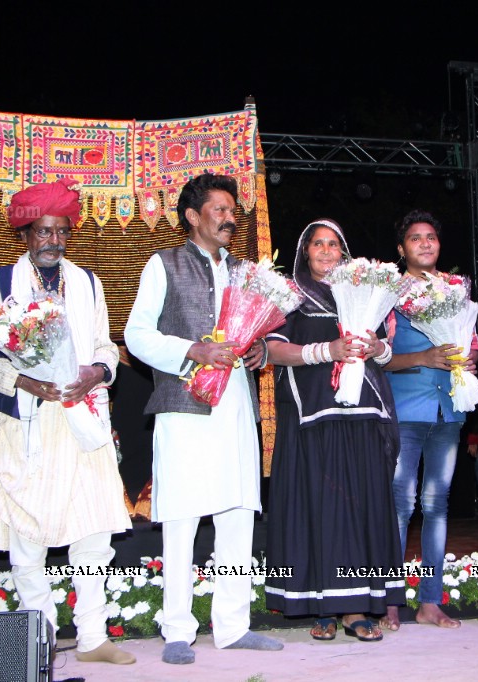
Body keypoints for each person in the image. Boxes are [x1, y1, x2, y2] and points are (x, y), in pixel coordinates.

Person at [0, 178, 134, 664]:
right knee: (27, 535)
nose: (53, 241)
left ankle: (94, 637)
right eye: (43, 232)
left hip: (83, 417)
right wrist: (18, 380)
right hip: (26, 422)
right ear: (25, 235)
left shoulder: (87, 282)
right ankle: (41, 638)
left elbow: (104, 344)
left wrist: (98, 371)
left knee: (94, 530)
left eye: (60, 232)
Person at [124, 173, 283, 663]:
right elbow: (136, 336)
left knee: (237, 514)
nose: (230, 217)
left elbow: (253, 333)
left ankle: (232, 625)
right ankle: (177, 630)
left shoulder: (245, 272)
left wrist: (257, 350)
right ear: (193, 216)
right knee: (182, 517)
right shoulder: (164, 264)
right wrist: (193, 349)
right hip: (185, 407)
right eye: (219, 209)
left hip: (236, 406)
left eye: (233, 209)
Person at [264, 218, 405, 643]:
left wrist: (377, 348)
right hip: (311, 418)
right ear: (305, 250)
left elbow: (382, 350)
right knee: (317, 509)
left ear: (344, 253)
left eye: (333, 245)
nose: (326, 252)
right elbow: (272, 348)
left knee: (361, 508)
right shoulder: (288, 294)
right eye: (318, 244)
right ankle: (319, 606)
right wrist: (328, 350)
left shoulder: (362, 292)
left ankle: (356, 608)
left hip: (362, 415)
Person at [383, 209, 478, 630]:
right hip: (405, 410)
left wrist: (469, 360)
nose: (425, 243)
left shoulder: (456, 291)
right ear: (402, 248)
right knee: (400, 505)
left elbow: (470, 345)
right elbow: (374, 359)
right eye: (415, 238)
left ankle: (429, 602)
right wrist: (422, 357)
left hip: (449, 410)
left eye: (431, 237)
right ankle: (386, 600)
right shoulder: (387, 294)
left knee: (437, 504)